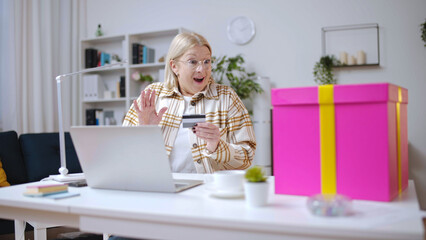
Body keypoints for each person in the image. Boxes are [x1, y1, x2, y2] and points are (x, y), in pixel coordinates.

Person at [122, 32, 256, 173]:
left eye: (207, 61)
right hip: (161, 187)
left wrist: (217, 146)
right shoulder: (153, 95)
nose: (201, 69)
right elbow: (123, 152)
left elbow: (247, 157)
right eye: (192, 62)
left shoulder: (226, 97)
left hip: (208, 190)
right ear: (174, 66)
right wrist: (145, 132)